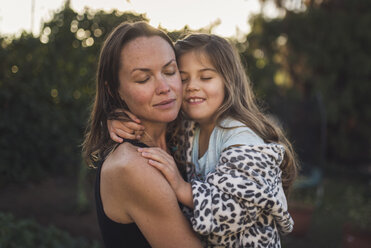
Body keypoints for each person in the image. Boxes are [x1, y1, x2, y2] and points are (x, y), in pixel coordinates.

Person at [108, 34, 298, 247]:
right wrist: (119, 120)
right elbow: (151, 125)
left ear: (229, 81)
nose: (192, 86)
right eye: (182, 77)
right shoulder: (191, 128)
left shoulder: (243, 140)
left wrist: (181, 188)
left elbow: (231, 212)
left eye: (205, 77)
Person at [82, 21, 202, 248]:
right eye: (143, 79)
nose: (164, 87)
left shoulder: (184, 136)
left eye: (169, 71)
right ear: (113, 89)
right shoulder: (133, 166)